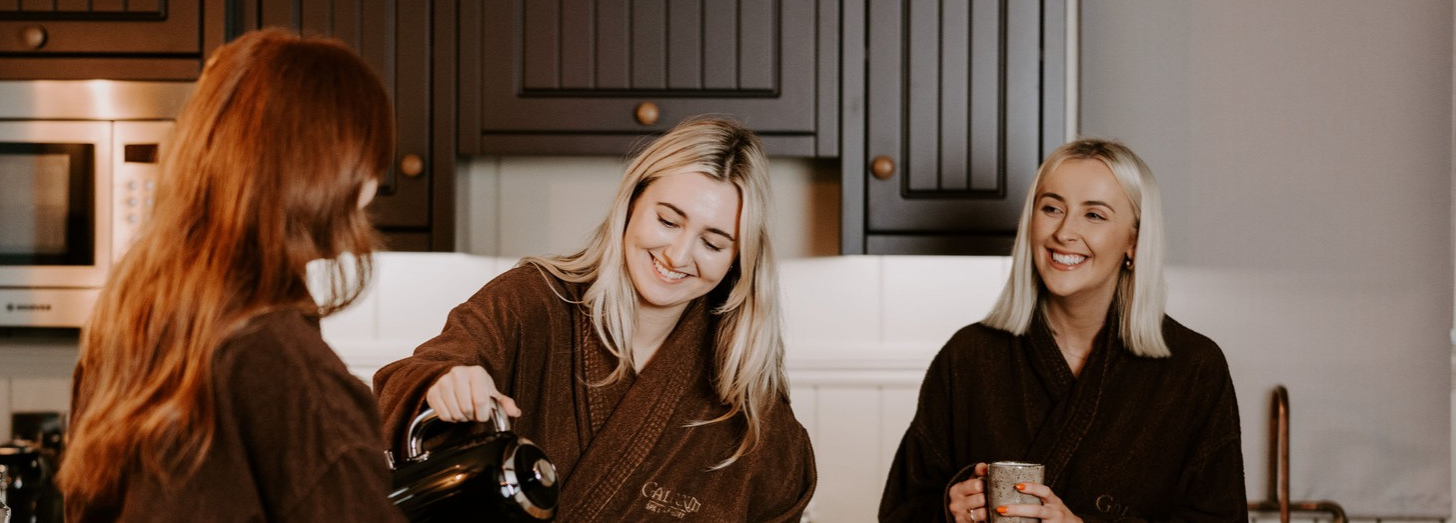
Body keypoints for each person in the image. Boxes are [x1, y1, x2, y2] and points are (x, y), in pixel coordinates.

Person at [373, 117, 817, 522]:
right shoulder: (529, 301)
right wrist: (441, 384)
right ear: (632, 203)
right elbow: (409, 382)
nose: (678, 255)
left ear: (738, 260)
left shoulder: (747, 400)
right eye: (667, 220)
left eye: (714, 243)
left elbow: (780, 498)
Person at [56, 29, 402, 522]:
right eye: (369, 164)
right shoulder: (288, 367)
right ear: (326, 174)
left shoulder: (132, 326)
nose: (371, 188)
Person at [879, 139, 1246, 522]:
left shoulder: (1194, 367)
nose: (1065, 233)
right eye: (1052, 208)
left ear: (1134, 242)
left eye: (1095, 215)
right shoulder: (969, 356)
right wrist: (949, 510)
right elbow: (899, 512)